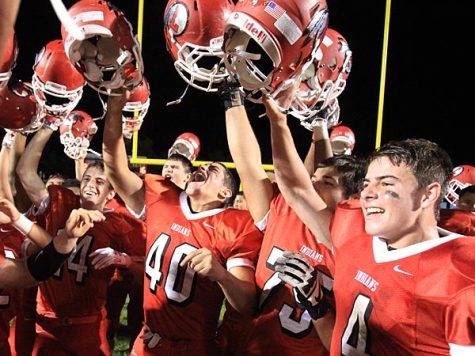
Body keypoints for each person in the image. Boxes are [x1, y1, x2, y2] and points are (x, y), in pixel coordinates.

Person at [266, 92, 475, 353]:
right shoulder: (352, 226)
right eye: (367, 184)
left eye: (386, 183)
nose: (367, 193)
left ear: (428, 194)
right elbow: (297, 190)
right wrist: (277, 117)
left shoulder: (463, 275)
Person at [102, 92, 263, 355]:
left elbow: (246, 304)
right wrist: (116, 105)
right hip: (147, 340)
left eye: (214, 171)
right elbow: (114, 168)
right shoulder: (162, 195)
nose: (203, 168)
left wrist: (220, 274)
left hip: (193, 347)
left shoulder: (235, 225)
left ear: (224, 194)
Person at [217, 81, 364, 354]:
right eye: (313, 180)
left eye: (327, 184)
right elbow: (248, 166)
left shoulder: (353, 240)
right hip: (251, 345)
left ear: (350, 200)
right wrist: (231, 96)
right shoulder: (287, 209)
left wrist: (282, 119)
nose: (313, 185)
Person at [16, 122, 144, 355]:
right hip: (46, 323)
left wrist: (124, 260)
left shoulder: (119, 223)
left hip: (87, 326)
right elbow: (25, 172)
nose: (90, 185)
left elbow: (150, 268)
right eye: (87, 179)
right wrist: (49, 124)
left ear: (112, 193)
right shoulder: (59, 200)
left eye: (99, 182)